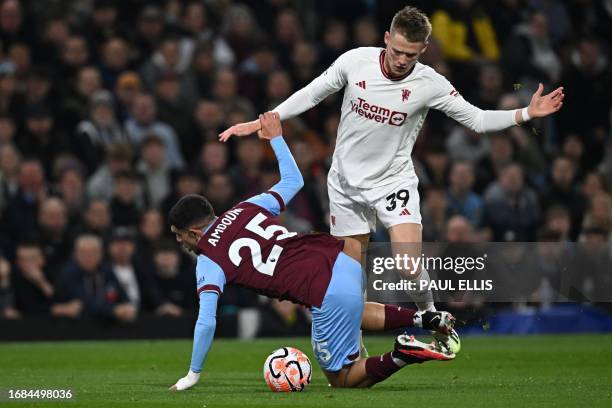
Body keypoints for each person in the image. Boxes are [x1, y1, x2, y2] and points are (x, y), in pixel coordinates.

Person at [219, 6, 564, 349]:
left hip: (392, 182)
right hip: (346, 185)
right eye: (397, 50)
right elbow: (312, 93)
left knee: (409, 265)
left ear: (423, 49)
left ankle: (432, 318)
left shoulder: (429, 84)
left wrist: (525, 113)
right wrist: (268, 117)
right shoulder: (356, 62)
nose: (401, 60)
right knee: (350, 282)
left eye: (410, 54)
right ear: (386, 38)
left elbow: (477, 119)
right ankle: (354, 350)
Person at [169, 112, 456, 391]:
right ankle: (424, 318)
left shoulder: (208, 259)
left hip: (322, 289)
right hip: (344, 254)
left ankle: (403, 354)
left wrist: (194, 373)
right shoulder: (246, 207)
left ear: (193, 233)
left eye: (180, 235)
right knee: (352, 311)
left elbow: (206, 320)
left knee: (342, 378)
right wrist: (277, 139)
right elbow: (294, 181)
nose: (181, 242)